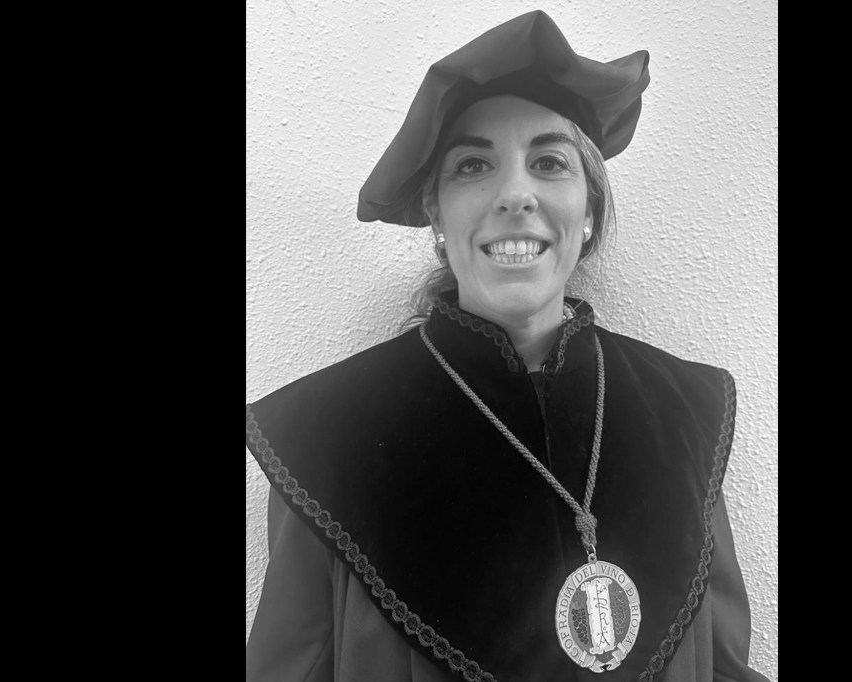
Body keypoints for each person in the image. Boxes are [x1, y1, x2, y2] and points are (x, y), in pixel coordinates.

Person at [246, 10, 771, 682]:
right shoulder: (327, 436)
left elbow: (724, 665)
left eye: (549, 163)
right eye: (474, 166)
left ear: (588, 213)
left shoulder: (687, 412)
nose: (515, 194)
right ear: (436, 213)